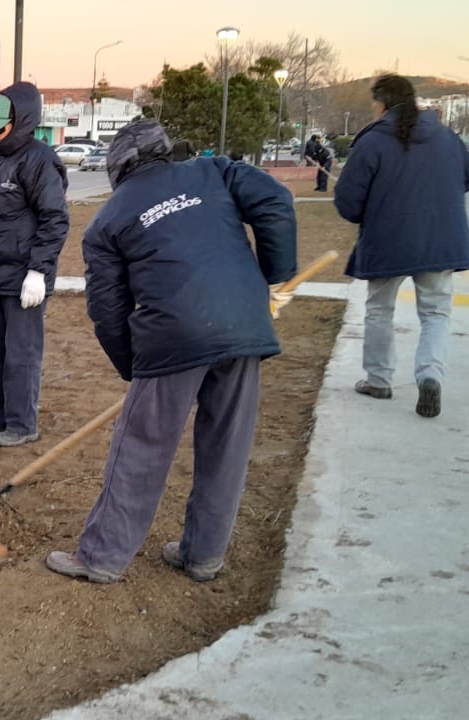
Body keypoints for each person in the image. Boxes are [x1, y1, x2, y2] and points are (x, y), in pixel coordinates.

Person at [45, 120, 297, 585]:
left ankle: (102, 557)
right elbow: (276, 201)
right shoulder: (214, 172)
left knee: (140, 447)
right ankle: (203, 555)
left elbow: (108, 310)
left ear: (117, 168)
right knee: (227, 445)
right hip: (243, 325)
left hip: (173, 335)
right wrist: (274, 276)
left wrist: (133, 368)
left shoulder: (108, 219)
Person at [334, 74, 469, 419]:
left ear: (382, 104)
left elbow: (348, 202)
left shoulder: (372, 143)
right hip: (441, 240)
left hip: (387, 241)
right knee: (436, 313)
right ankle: (430, 374)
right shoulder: (446, 137)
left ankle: (379, 379)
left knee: (379, 309)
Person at [0, 81, 70, 448]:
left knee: (21, 354)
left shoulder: (39, 160)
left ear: (21, 121)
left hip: (24, 276)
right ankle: (3, 416)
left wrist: (38, 272)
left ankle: (23, 424)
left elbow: (55, 219)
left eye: (0, 127)